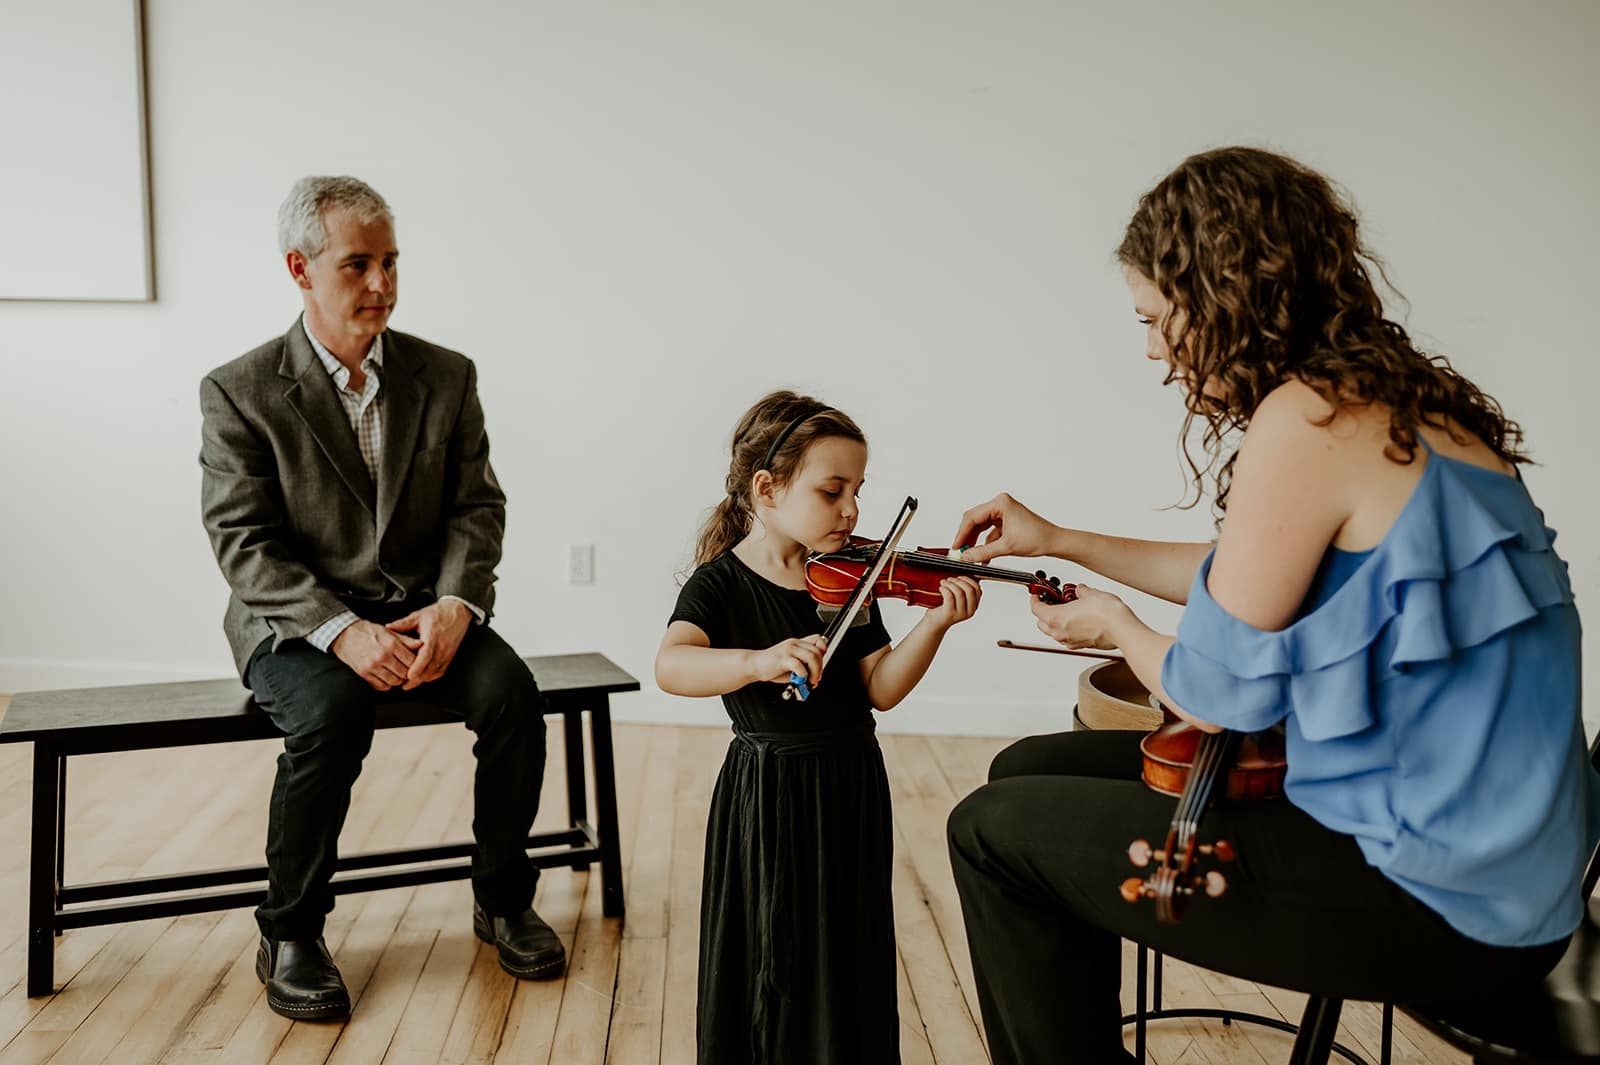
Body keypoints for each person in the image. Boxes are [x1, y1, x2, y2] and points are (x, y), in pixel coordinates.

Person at [943, 147, 1600, 1064]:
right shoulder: (1399, 401)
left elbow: (1215, 696)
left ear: (1218, 297)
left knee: (989, 832)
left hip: (1445, 901)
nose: (1150, 349)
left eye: (1153, 317)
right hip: (1504, 870)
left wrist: (1119, 630)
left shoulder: (1308, 417)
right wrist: (1060, 538)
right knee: (1025, 766)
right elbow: (1249, 573)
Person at [199, 176, 560, 1022]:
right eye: (357, 264)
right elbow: (244, 545)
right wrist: (340, 632)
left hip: (422, 610)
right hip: (293, 623)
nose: (382, 284)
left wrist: (456, 606)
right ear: (300, 267)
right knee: (331, 717)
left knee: (512, 694)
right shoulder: (239, 391)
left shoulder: (447, 374)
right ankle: (289, 930)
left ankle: (503, 896)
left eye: (391, 262)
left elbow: (478, 506)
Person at [655, 390, 983, 1065]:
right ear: (767, 489)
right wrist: (756, 661)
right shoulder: (719, 584)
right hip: (769, 792)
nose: (853, 510)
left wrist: (935, 622)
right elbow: (672, 664)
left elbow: (880, 688)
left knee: (846, 945)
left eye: (858, 490)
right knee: (772, 949)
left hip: (850, 783)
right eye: (833, 490)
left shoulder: (846, 580)